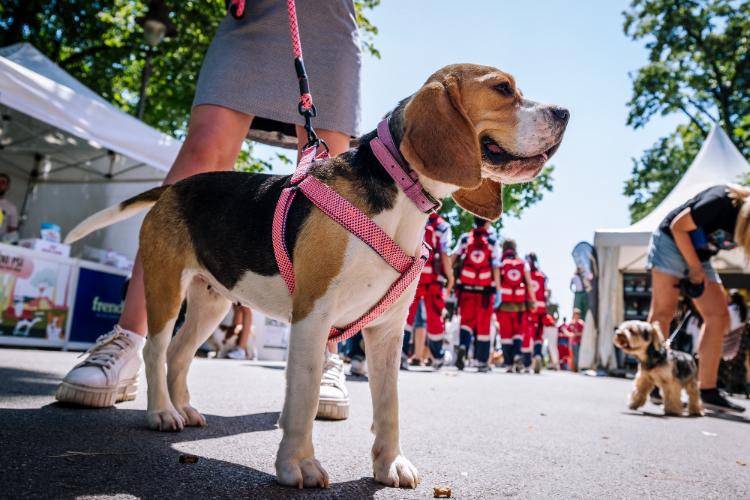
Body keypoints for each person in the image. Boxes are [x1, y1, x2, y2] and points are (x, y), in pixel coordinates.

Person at [55, 1, 362, 421]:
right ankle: (128, 337)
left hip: (328, 18)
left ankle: (325, 353)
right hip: (256, 13)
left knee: (327, 179)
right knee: (202, 152)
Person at [646, 184, 750, 412]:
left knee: (718, 316)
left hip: (699, 255)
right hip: (670, 241)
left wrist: (696, 266)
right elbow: (678, 226)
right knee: (663, 312)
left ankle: (707, 390)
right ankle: (655, 383)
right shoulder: (721, 201)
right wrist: (694, 269)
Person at [403, 213, 454, 370]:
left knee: (406, 316)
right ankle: (438, 357)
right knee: (435, 317)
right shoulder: (443, 227)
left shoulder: (414, 217)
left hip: (414, 275)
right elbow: (444, 254)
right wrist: (450, 277)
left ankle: (401, 355)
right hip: (433, 280)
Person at [452, 217, 500, 372]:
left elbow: (454, 256)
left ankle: (463, 348)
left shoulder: (465, 238)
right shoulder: (492, 241)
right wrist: (497, 288)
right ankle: (481, 361)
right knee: (483, 326)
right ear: (487, 223)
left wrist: (451, 278)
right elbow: (495, 265)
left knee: (466, 322)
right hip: (485, 291)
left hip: (466, 288)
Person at [496, 239, 537, 372]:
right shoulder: (522, 264)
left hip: (503, 305)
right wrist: (533, 301)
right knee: (518, 333)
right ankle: (517, 355)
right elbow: (529, 283)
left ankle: (508, 364)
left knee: (505, 335)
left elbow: (497, 281)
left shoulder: (501, 262)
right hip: (520, 306)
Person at [524, 253, 548, 373]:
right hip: (541, 310)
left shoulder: (527, 275)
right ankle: (537, 355)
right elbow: (546, 294)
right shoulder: (542, 276)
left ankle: (527, 362)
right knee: (538, 336)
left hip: (529, 309)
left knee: (527, 336)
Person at [0, 173, 19, 241]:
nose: (0, 184)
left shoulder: (11, 208)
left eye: (3, 182)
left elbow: (12, 230)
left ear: (7, 187)